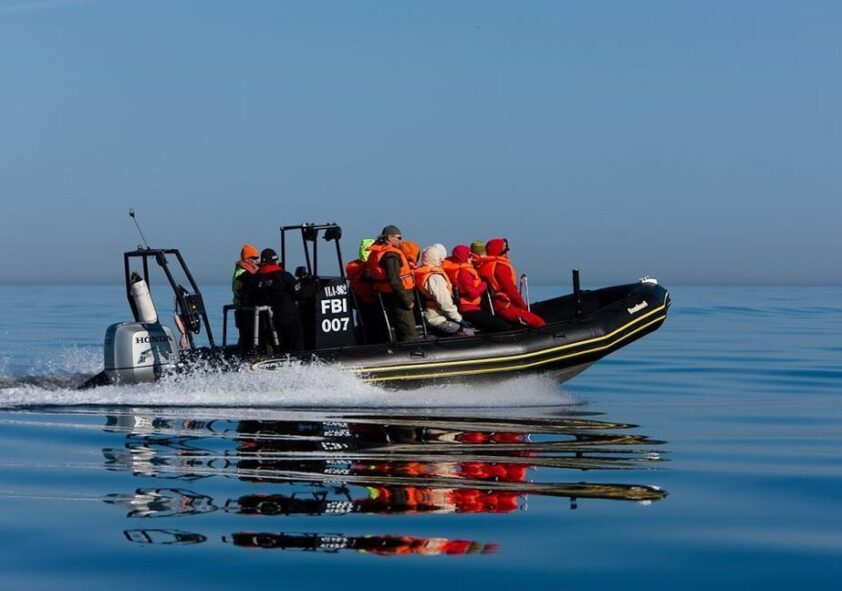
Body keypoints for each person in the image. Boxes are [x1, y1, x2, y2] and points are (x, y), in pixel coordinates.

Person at [242, 248, 304, 354]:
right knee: (295, 331)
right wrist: (314, 287)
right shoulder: (284, 276)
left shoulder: (255, 279)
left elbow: (249, 296)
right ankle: (299, 355)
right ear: (275, 261)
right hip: (286, 319)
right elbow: (300, 293)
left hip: (265, 321)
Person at [366, 225, 419, 342]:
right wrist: (407, 301)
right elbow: (395, 281)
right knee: (408, 330)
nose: (401, 241)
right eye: (399, 238)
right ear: (390, 238)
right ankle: (412, 348)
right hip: (399, 297)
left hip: (386, 295)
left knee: (397, 328)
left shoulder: (377, 252)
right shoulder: (391, 255)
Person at [477, 238, 545, 328]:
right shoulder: (500, 267)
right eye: (506, 250)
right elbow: (510, 291)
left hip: (494, 306)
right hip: (504, 306)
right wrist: (522, 306)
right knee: (538, 322)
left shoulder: (483, 267)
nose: (507, 253)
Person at [444, 245, 513, 333]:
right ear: (463, 257)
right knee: (502, 325)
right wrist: (484, 284)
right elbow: (472, 294)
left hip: (471, 308)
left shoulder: (459, 270)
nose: (471, 258)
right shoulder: (464, 273)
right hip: (469, 310)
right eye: (469, 256)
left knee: (493, 322)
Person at [414, 244, 471, 336]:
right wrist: (459, 319)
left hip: (428, 316)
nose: (442, 261)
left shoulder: (421, 274)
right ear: (435, 259)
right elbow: (445, 303)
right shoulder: (436, 278)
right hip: (437, 319)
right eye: (439, 258)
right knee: (468, 333)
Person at [345, 238, 382, 343]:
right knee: (373, 327)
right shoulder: (369, 272)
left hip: (359, 305)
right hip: (371, 304)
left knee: (363, 325)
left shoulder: (355, 269)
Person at [232, 244, 260, 351]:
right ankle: (247, 355)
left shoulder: (242, 271)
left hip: (244, 310)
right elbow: (253, 285)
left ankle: (244, 353)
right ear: (247, 259)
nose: (257, 261)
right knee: (247, 338)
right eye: (254, 258)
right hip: (244, 311)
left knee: (245, 338)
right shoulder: (242, 274)